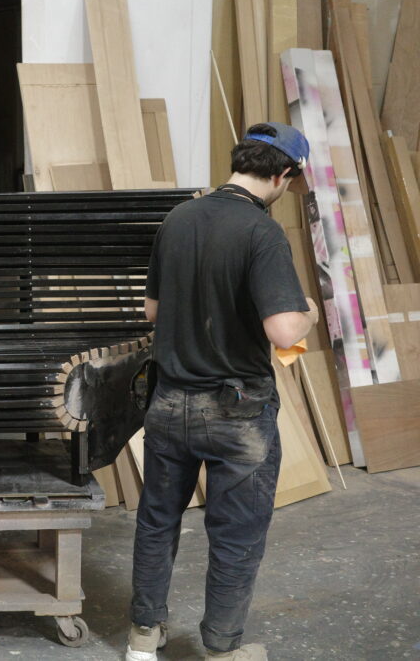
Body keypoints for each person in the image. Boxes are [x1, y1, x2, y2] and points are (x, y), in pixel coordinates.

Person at [124, 122, 320, 661]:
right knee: (236, 533)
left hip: (168, 402)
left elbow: (154, 313)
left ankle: (143, 637)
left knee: (158, 520)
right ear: (282, 176)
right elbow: (283, 331)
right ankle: (221, 649)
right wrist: (309, 313)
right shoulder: (261, 233)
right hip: (237, 412)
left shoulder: (179, 218)